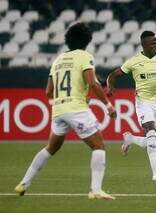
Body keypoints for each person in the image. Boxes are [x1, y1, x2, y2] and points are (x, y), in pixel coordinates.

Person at [14, 22, 117, 200]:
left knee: (51, 148)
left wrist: (63, 101)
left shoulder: (58, 60)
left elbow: (48, 91)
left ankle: (23, 183)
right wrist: (108, 106)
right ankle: (95, 190)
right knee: (98, 145)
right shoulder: (85, 56)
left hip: (59, 109)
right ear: (87, 40)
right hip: (76, 109)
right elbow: (92, 83)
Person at [106, 31, 156, 181]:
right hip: (143, 102)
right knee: (151, 133)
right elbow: (113, 75)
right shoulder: (134, 61)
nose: (155, 45)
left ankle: (130, 139)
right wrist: (110, 86)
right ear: (143, 45)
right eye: (152, 43)